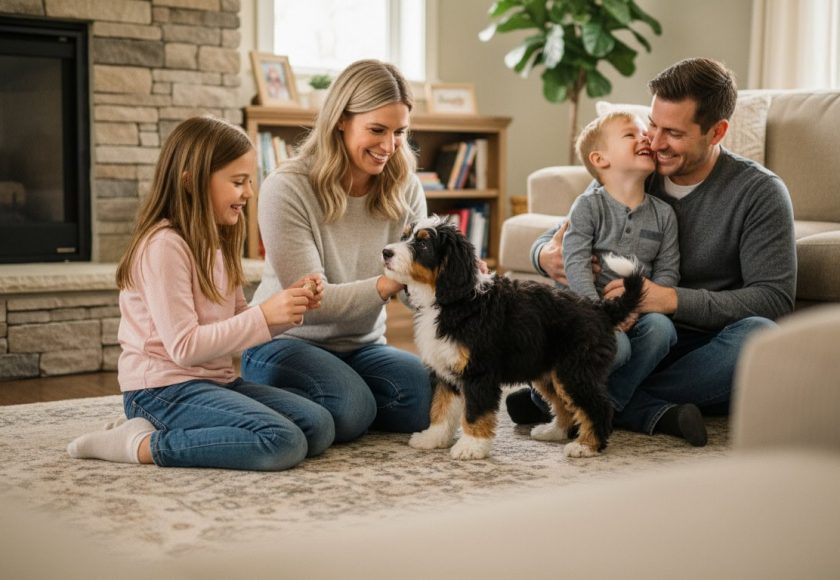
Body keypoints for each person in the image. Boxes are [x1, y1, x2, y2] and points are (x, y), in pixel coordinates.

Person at [507, 58, 797, 446]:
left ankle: (579, 402)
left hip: (701, 347)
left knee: (759, 337)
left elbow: (774, 297)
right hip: (627, 335)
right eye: (653, 126)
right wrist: (545, 257)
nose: (656, 143)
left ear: (717, 131)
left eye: (673, 133)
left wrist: (670, 300)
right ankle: (649, 411)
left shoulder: (759, 193)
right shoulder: (639, 170)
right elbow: (554, 238)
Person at [67, 116, 334, 471]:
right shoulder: (164, 246)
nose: (249, 193)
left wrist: (286, 310)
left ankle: (167, 429)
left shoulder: (218, 241)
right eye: (238, 182)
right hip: (160, 391)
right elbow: (184, 348)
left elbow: (240, 323)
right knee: (281, 441)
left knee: (318, 426)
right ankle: (139, 443)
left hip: (215, 382)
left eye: (250, 181)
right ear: (191, 182)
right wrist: (264, 315)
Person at [240, 59, 432, 443]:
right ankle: (262, 398)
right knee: (350, 410)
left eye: (399, 132)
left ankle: (345, 397)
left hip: (364, 347)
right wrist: (388, 284)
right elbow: (313, 301)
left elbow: (416, 293)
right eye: (377, 130)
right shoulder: (287, 187)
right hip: (286, 343)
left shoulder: (405, 186)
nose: (389, 147)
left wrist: (449, 281)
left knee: (429, 398)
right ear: (341, 120)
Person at [561, 110, 680, 425]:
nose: (645, 138)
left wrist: (637, 305)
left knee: (662, 331)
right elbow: (575, 262)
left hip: (637, 310)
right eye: (631, 134)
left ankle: (607, 407)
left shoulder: (664, 215)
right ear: (600, 159)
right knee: (619, 348)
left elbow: (668, 273)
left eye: (645, 132)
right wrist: (599, 314)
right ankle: (564, 395)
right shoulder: (588, 206)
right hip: (590, 311)